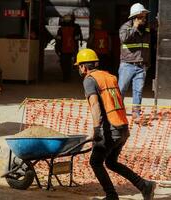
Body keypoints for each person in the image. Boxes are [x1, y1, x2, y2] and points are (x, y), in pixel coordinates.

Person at [75, 48, 156, 200]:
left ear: (84, 67)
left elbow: (95, 105)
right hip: (122, 127)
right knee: (111, 162)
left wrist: (96, 130)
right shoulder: (109, 76)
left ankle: (111, 196)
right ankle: (145, 185)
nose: (79, 69)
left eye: (79, 66)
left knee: (95, 162)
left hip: (110, 129)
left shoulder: (89, 79)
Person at [118, 3, 151, 123]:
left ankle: (136, 114)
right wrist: (134, 27)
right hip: (127, 64)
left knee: (138, 91)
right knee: (121, 89)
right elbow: (124, 39)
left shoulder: (146, 28)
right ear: (135, 17)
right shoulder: (125, 27)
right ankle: (117, 112)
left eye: (144, 16)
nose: (144, 19)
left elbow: (146, 46)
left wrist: (147, 63)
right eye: (141, 17)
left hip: (141, 65)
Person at [55, 13, 83, 81]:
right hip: (70, 49)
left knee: (65, 63)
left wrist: (57, 48)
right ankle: (67, 76)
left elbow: (58, 40)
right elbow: (77, 38)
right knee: (67, 63)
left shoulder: (61, 29)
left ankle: (66, 77)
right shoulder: (75, 28)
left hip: (65, 49)